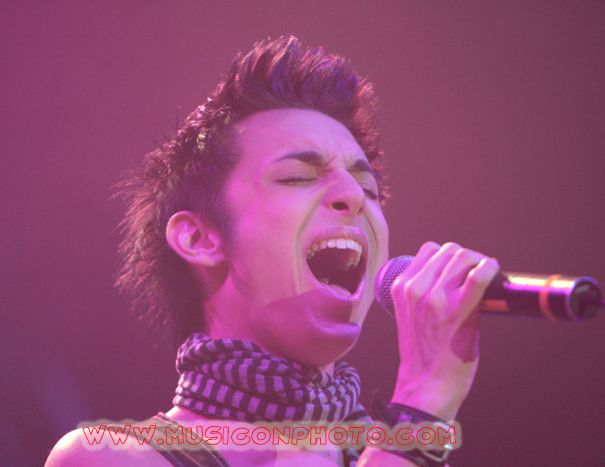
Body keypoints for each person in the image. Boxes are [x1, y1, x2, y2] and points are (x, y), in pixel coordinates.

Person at [46, 36, 499, 467]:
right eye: (298, 177)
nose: (353, 196)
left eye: (367, 188)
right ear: (199, 238)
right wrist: (421, 404)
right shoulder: (108, 457)